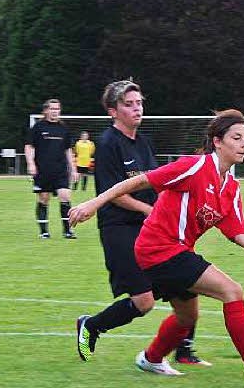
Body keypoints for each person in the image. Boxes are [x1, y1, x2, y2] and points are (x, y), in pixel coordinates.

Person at [69, 109, 244, 388]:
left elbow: (239, 233)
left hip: (176, 251)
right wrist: (94, 203)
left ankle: (151, 358)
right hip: (158, 248)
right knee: (232, 291)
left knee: (186, 317)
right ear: (218, 141)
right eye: (236, 138)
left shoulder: (231, 187)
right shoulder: (194, 167)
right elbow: (140, 181)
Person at [74, 80, 210, 366]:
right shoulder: (108, 143)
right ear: (113, 111)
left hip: (152, 228)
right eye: (129, 104)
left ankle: (184, 351)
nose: (137, 109)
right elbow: (113, 194)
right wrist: (151, 211)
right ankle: (92, 326)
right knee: (144, 302)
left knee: (186, 280)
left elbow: (156, 182)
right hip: (120, 229)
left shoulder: (144, 142)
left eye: (139, 103)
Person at [24, 98, 76, 239]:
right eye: (52, 109)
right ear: (46, 110)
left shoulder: (64, 129)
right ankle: (44, 231)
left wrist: (74, 169)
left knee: (65, 197)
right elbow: (29, 146)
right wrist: (30, 163)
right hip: (42, 171)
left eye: (57, 109)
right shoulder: (38, 128)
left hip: (60, 171)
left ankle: (67, 231)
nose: (55, 112)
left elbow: (68, 150)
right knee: (44, 199)